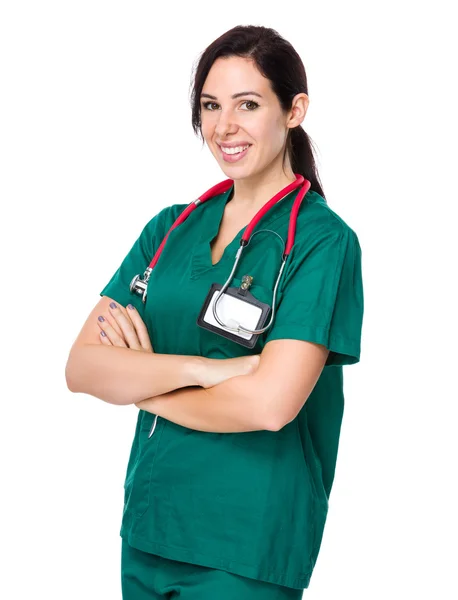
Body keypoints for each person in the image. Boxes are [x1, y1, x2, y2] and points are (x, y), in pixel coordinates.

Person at [66, 24, 364, 600]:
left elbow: (271, 404)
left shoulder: (322, 243)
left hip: (244, 544)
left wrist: (142, 384)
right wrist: (209, 370)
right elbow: (83, 368)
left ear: (294, 109)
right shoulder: (170, 228)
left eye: (247, 104)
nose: (224, 126)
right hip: (150, 528)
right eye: (210, 105)